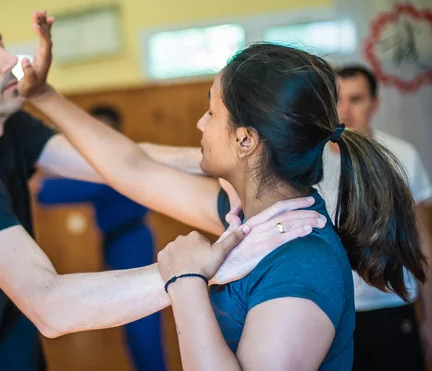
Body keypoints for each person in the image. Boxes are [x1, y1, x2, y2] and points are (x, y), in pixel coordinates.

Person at [0, 3, 324, 371]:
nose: (10, 60)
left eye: (0, 44)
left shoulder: (12, 130)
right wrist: (205, 265)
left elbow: (128, 162)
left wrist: (256, 156)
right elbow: (51, 306)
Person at [24, 37, 428, 369]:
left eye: (212, 111)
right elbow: (133, 168)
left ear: (246, 140)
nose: (200, 123)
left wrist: (185, 282)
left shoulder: (302, 260)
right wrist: (43, 95)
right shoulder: (251, 219)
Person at [316, 64, 432, 371]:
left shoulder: (401, 155)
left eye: (356, 99)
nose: (345, 109)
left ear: (375, 103)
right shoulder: (311, 162)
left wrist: (430, 318)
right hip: (334, 313)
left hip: (392, 305)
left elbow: (422, 242)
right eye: (338, 100)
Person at [36, 105, 167, 371]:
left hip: (132, 242)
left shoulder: (114, 165)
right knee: (133, 323)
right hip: (120, 242)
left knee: (142, 323)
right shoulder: (101, 165)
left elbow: (48, 192)